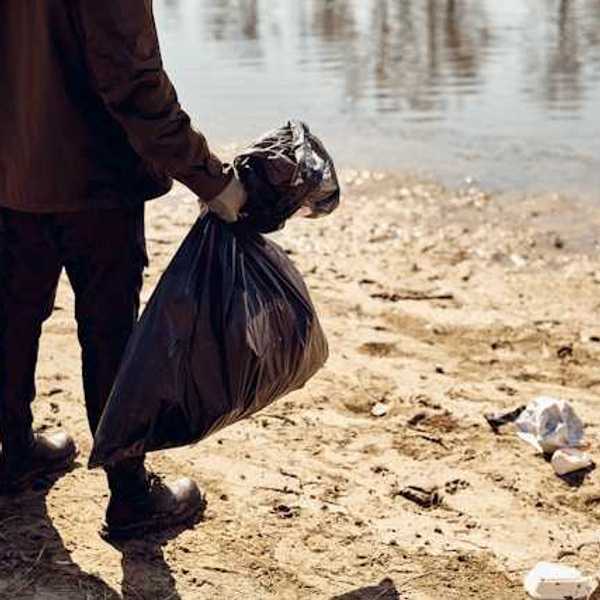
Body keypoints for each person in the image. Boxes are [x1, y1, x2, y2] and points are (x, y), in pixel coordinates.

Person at [0, 1, 246, 540]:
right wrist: (214, 180)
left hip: (13, 167)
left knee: (13, 313)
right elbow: (133, 84)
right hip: (96, 180)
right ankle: (130, 494)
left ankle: (12, 450)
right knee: (110, 332)